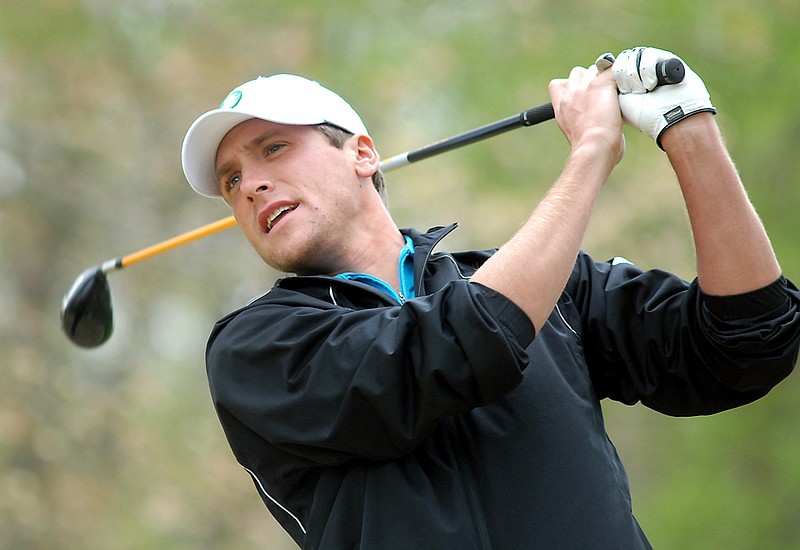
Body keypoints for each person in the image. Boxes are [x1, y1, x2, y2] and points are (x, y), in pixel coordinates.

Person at [180, 47, 800, 549]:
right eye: (232, 179)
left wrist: (686, 125)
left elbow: (747, 343)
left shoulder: (548, 286)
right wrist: (590, 153)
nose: (253, 184)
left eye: (274, 148)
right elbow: (456, 345)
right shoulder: (254, 348)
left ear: (362, 154)